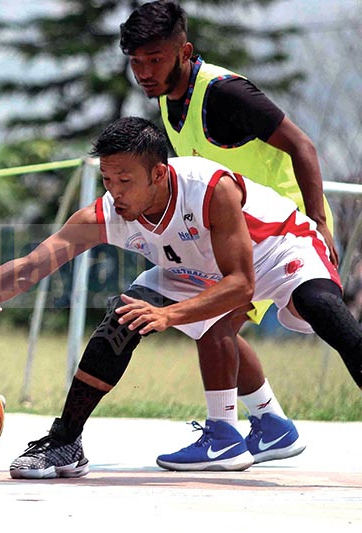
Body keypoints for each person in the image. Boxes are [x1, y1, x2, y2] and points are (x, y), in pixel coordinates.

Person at [0, 117, 362, 475]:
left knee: (317, 307)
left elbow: (241, 284)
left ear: (159, 173)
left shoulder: (208, 189)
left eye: (125, 181)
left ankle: (228, 432)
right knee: (122, 319)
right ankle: (65, 442)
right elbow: (30, 269)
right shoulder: (106, 214)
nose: (114, 192)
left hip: (277, 247)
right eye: (107, 180)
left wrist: (173, 313)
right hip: (194, 264)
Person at [118, 0, 339, 464]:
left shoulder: (225, 92)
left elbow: (302, 144)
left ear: (184, 51)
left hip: (282, 227)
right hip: (231, 230)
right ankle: (271, 424)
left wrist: (318, 221)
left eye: (155, 59)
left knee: (218, 321)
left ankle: (226, 435)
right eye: (136, 61)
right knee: (209, 321)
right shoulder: (166, 96)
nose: (144, 71)